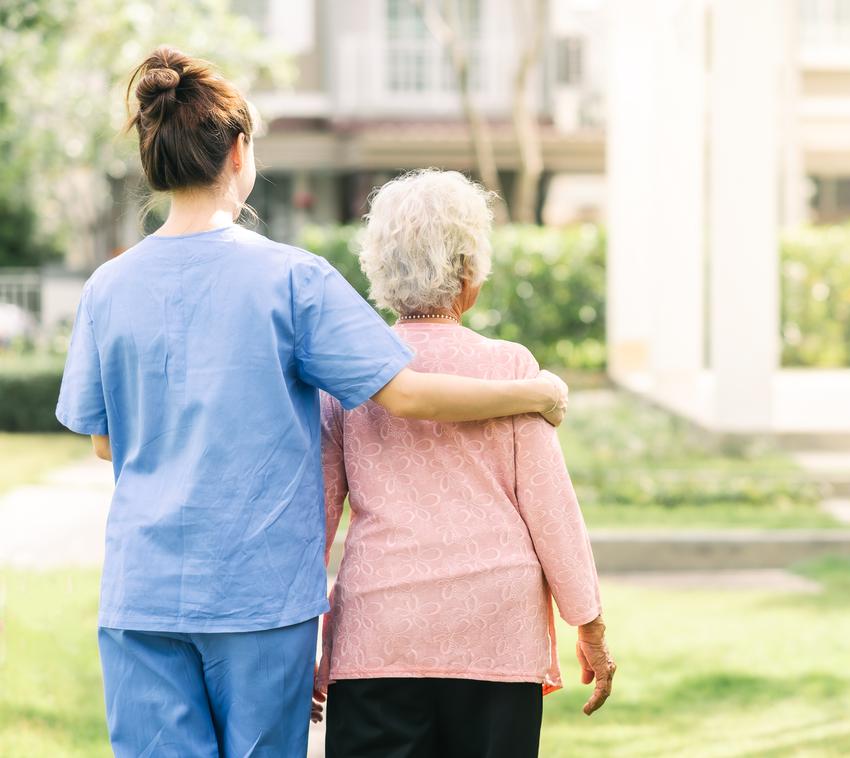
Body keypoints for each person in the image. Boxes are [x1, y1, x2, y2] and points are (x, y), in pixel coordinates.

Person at [54, 48, 568, 757]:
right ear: (240, 152)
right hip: (259, 600)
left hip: (142, 595)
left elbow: (106, 442)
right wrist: (530, 392)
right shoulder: (292, 280)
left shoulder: (106, 288)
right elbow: (408, 393)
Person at [313, 169, 615, 758]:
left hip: (380, 631)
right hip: (496, 633)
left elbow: (314, 521)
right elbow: (551, 510)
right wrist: (591, 626)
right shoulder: (510, 369)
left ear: (378, 271)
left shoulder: (348, 378)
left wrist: (299, 646)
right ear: (469, 276)